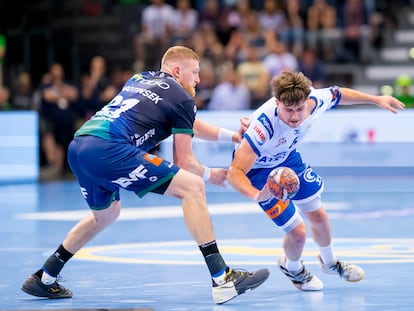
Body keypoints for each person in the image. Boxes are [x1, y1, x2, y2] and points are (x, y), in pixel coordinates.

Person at [21, 46, 269, 304]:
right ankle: (222, 278)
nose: (198, 79)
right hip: (110, 148)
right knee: (193, 187)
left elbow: (189, 123)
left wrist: (232, 136)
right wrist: (210, 174)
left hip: (80, 145)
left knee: (106, 214)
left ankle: (46, 276)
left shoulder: (140, 78)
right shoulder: (183, 99)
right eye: (194, 72)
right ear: (176, 71)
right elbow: (183, 161)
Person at [226, 70, 405, 291]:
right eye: (288, 110)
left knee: (319, 216)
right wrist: (256, 195)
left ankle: (330, 263)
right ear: (277, 102)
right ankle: (292, 268)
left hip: (288, 158)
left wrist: (376, 99)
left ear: (307, 101)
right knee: (298, 233)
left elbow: (339, 94)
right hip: (259, 170)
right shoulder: (263, 127)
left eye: (299, 109)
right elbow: (234, 172)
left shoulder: (315, 99)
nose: (294, 116)